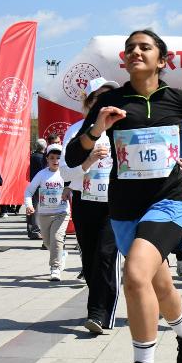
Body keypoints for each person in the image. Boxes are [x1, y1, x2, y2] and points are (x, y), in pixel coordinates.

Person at [65, 29, 182, 363]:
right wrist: (98, 128)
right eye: (130, 49)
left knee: (134, 275)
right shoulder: (112, 100)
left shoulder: (178, 99)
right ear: (123, 60)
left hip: (169, 203)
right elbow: (75, 157)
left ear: (162, 59)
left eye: (145, 47)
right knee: (161, 286)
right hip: (124, 208)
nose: (135, 52)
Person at [60, 77, 120, 334]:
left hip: (114, 203)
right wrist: (88, 161)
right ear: (88, 102)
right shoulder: (75, 131)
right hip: (84, 201)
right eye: (99, 98)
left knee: (106, 256)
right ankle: (98, 308)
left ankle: (98, 312)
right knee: (90, 260)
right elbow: (65, 171)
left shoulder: (122, 129)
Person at [24, 144, 71, 281]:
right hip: (44, 214)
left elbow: (74, 189)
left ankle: (55, 268)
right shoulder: (42, 174)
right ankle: (60, 255)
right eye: (52, 158)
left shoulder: (66, 173)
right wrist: (28, 205)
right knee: (48, 242)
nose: (55, 160)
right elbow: (29, 191)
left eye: (58, 158)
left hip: (62, 212)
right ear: (47, 159)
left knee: (57, 238)